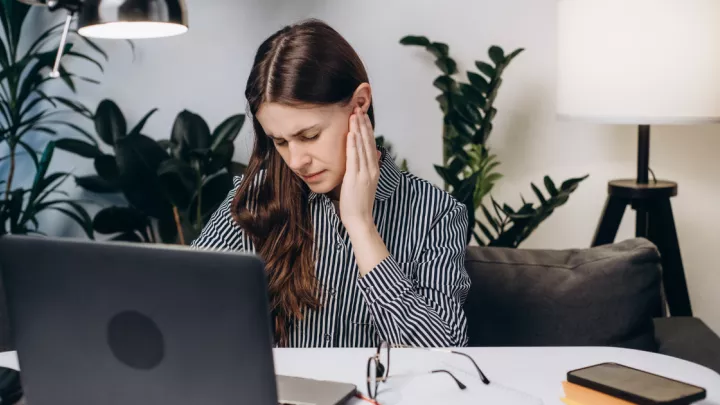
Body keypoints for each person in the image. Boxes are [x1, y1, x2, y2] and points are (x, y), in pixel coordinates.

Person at [191, 18, 471, 349]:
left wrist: (361, 226)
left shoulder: (437, 213)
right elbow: (181, 303)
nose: (295, 161)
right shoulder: (254, 198)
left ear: (360, 103)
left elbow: (443, 353)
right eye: (280, 142)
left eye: (308, 136)